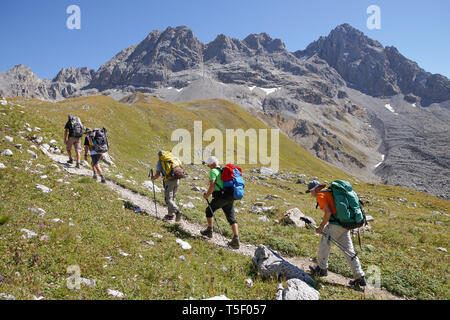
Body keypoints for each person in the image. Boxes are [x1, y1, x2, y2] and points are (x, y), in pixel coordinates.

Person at [306, 180, 366, 289]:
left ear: (315, 189)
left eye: (311, 191)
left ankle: (321, 269)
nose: (311, 194)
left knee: (324, 245)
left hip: (335, 226)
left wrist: (321, 227)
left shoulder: (321, 195)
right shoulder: (330, 192)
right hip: (344, 225)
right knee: (349, 250)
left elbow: (328, 212)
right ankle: (359, 276)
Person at [201, 156, 240, 249]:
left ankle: (209, 231)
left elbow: (212, 185)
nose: (208, 167)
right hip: (229, 196)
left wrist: (207, 195)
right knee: (231, 218)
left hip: (221, 196)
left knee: (208, 211)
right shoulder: (222, 170)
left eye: (209, 165)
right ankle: (236, 239)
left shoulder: (213, 171)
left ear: (211, 164)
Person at [151, 150, 182, 222]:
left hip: (169, 181)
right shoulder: (172, 158)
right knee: (172, 198)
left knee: (168, 199)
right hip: (177, 179)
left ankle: (177, 211)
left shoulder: (161, 162)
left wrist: (153, 178)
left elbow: (158, 174)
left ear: (159, 156)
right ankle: (170, 215)